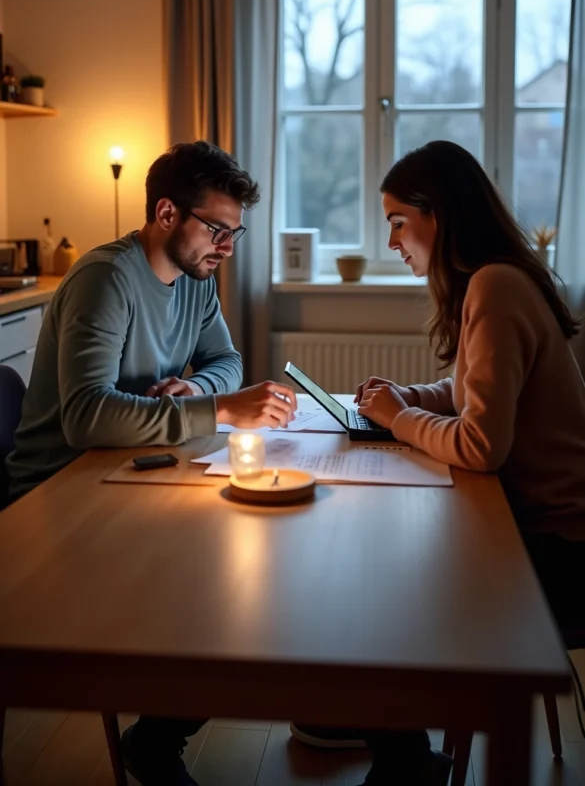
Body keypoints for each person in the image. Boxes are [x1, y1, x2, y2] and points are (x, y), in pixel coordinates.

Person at [6, 139, 297, 786]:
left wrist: (197, 389)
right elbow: (86, 419)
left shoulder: (195, 281)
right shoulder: (105, 280)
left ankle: (160, 737)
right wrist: (220, 411)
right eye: (216, 230)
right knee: (224, 588)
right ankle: (158, 744)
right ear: (166, 214)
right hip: (57, 501)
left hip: (133, 474)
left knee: (251, 570)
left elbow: (225, 362)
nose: (225, 248)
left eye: (234, 234)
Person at [294, 140, 585, 786]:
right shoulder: (496, 278)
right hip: (531, 530)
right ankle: (389, 733)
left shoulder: (495, 286)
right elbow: (467, 397)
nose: (393, 241)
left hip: (559, 553)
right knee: (373, 572)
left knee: (370, 587)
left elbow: (482, 445)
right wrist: (404, 399)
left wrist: (399, 418)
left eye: (398, 221)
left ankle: (396, 750)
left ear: (439, 214)